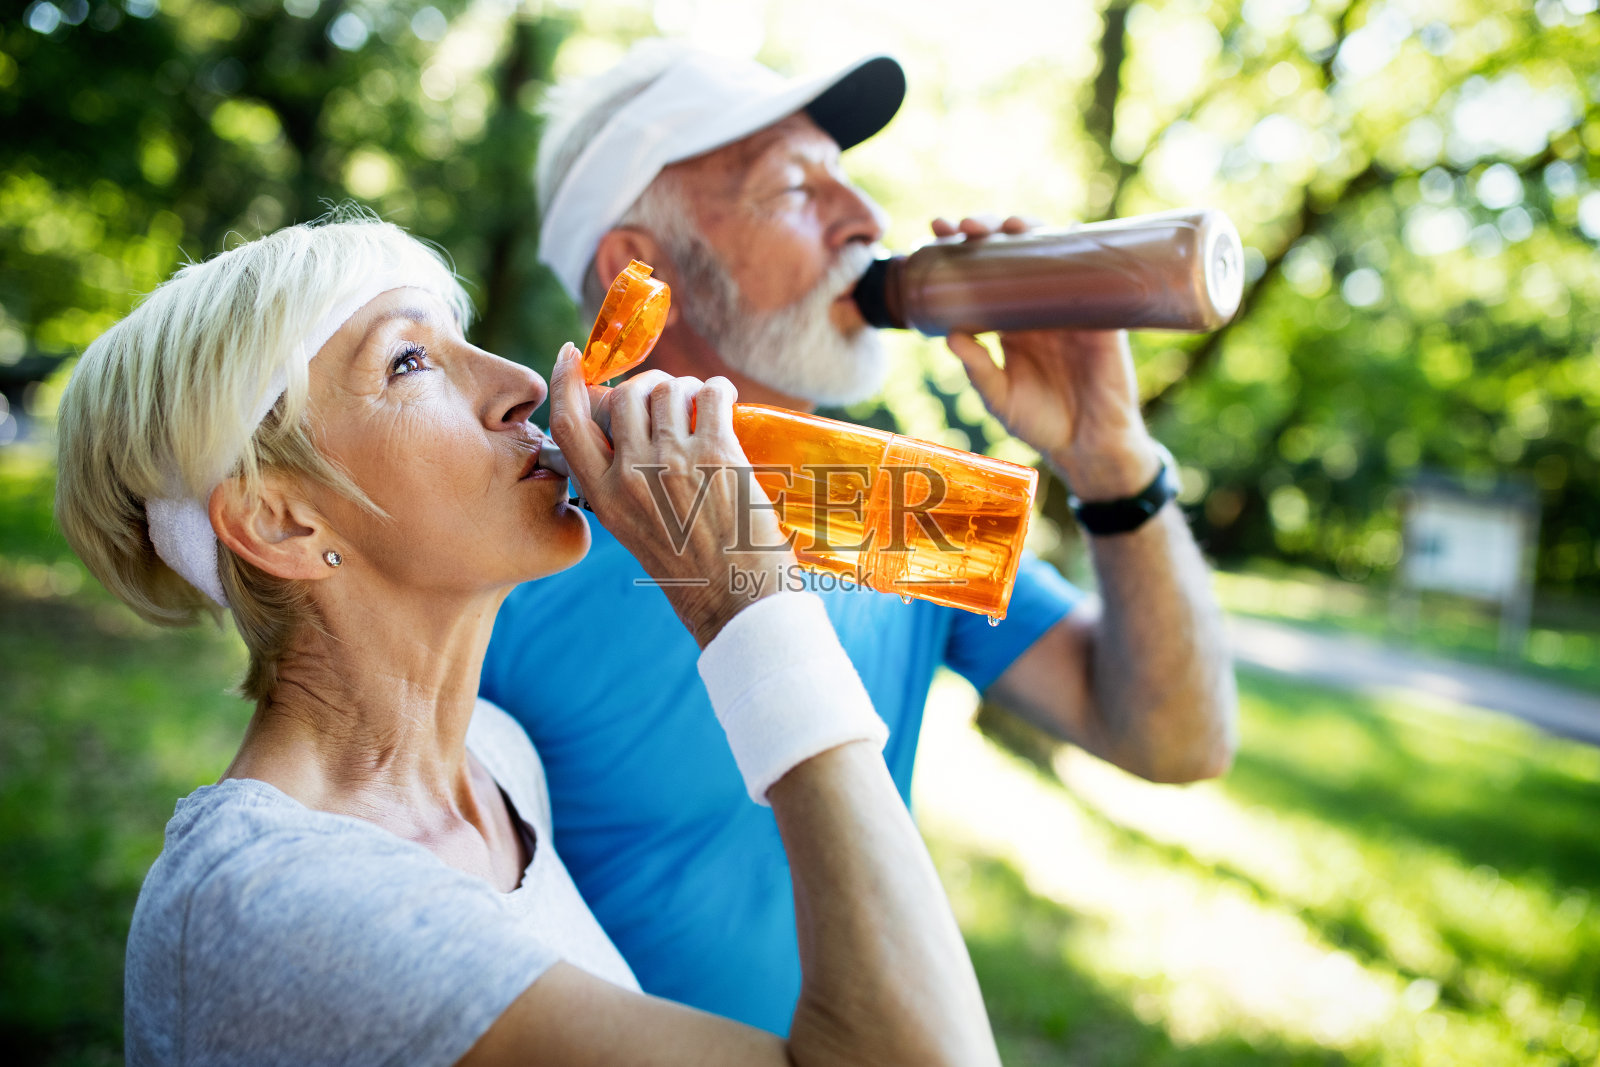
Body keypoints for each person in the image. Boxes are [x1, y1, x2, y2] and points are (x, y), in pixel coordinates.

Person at [54, 215, 1002, 1065]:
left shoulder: (500, 766)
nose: (519, 383)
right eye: (409, 361)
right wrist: (748, 602)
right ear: (281, 522)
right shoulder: (277, 906)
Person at [481, 41, 1240, 1034]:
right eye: (796, 187)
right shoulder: (504, 527)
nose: (868, 221)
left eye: (846, 176)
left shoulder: (883, 499)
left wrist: (1113, 465)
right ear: (641, 267)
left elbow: (1175, 738)